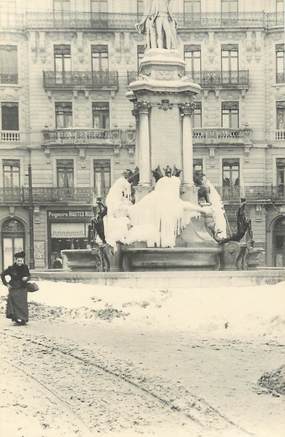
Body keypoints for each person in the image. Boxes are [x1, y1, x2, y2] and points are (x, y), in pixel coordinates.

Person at [1, 251, 30, 325]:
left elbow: (29, 276)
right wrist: (6, 284)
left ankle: (23, 319)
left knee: (23, 304)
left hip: (22, 288)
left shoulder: (25, 267)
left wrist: (26, 278)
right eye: (18, 261)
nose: (20, 262)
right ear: (16, 260)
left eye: (21, 261)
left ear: (23, 260)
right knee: (14, 304)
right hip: (13, 288)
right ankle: (16, 318)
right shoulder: (11, 268)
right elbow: (2, 274)